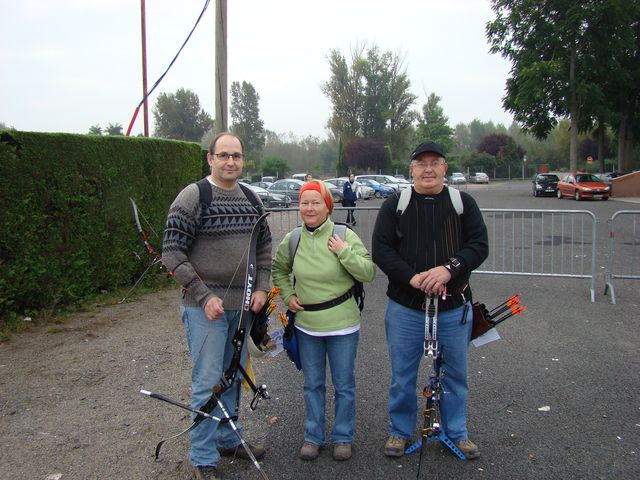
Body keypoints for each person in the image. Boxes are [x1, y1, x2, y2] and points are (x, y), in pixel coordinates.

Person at [162, 132, 272, 479]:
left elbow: (265, 249)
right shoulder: (194, 196)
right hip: (204, 308)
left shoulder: (252, 200)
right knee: (208, 379)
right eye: (223, 155)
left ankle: (228, 438)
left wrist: (263, 289)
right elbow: (172, 254)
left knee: (232, 376)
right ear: (210, 158)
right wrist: (202, 294)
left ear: (243, 160)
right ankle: (203, 456)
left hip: (242, 307)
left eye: (236, 156)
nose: (230, 162)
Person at [371, 141, 489, 460]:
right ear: (411, 169)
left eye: (434, 162)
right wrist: (412, 278)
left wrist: (449, 270)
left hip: (453, 308)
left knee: (455, 374)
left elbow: (479, 245)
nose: (427, 169)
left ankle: (457, 432)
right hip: (405, 307)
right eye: (421, 163)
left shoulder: (463, 203)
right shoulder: (396, 204)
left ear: (444, 168)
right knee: (402, 375)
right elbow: (381, 249)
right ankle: (399, 431)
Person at [271, 180, 376, 462]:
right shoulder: (292, 239)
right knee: (312, 384)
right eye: (305, 202)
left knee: (344, 384)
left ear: (328, 206)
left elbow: (368, 272)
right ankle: (313, 436)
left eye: (316, 202)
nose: (309, 208)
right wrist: (288, 294)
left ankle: (343, 436)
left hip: (343, 325)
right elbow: (279, 270)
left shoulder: (344, 235)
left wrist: (343, 251)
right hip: (307, 326)